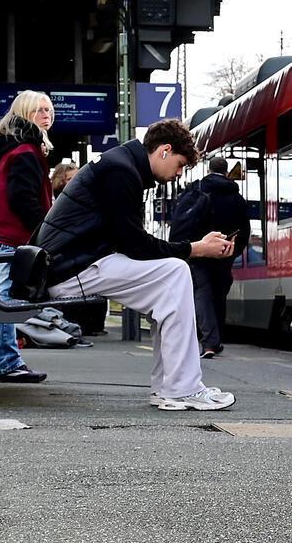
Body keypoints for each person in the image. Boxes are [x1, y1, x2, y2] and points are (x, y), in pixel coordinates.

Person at [33, 119, 237, 411]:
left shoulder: (122, 165)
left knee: (168, 283)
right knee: (176, 272)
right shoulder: (121, 171)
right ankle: (181, 388)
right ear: (165, 150)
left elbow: (133, 241)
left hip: (73, 262)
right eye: (179, 165)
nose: (178, 174)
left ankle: (172, 387)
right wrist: (197, 249)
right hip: (71, 268)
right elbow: (136, 245)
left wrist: (190, 249)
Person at [0, 91, 55, 384]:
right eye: (39, 110)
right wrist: (42, 229)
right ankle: (5, 362)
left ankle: (6, 359)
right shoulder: (25, 151)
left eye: (49, 109)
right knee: (5, 299)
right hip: (14, 234)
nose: (46, 115)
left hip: (0, 230)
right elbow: (22, 198)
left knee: (2, 296)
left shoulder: (5, 148)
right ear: (24, 114)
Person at [170, 157, 250, 359]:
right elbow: (245, 230)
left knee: (202, 294)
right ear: (226, 172)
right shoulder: (236, 197)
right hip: (224, 254)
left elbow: (184, 223)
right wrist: (233, 250)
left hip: (200, 251)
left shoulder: (197, 191)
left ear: (209, 169)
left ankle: (209, 342)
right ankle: (216, 339)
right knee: (219, 294)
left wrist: (189, 248)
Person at [47, 161, 108, 337]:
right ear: (60, 181)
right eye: (70, 178)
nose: (76, 181)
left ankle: (91, 325)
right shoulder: (61, 204)